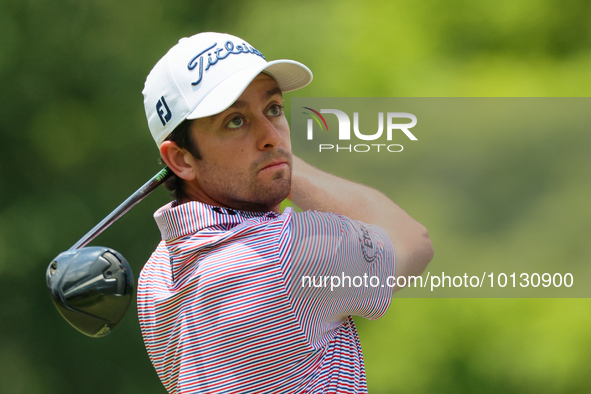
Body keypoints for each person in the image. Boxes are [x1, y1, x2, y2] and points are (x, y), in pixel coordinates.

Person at [137, 32, 434, 393]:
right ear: (181, 159)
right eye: (235, 121)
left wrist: (268, 164)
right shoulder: (287, 251)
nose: (271, 135)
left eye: (273, 109)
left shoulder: (154, 277)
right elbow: (413, 242)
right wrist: (286, 166)